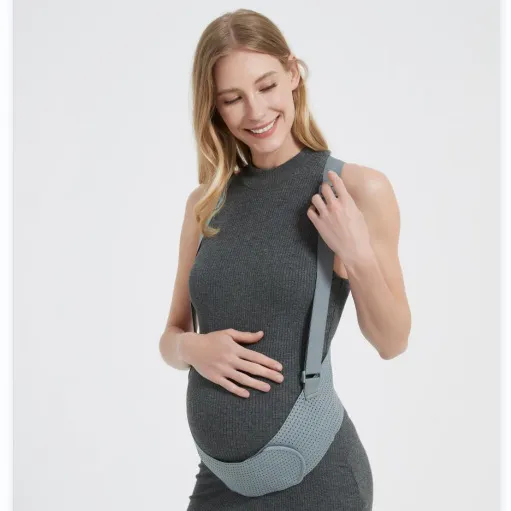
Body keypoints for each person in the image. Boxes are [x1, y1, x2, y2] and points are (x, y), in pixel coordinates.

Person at [159, 8, 411, 511]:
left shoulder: (355, 189)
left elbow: (393, 342)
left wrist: (356, 253)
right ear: (215, 108)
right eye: (233, 98)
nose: (255, 111)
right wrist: (194, 349)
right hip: (218, 484)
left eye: (267, 85)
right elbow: (170, 336)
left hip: (317, 482)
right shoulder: (205, 204)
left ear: (293, 74)